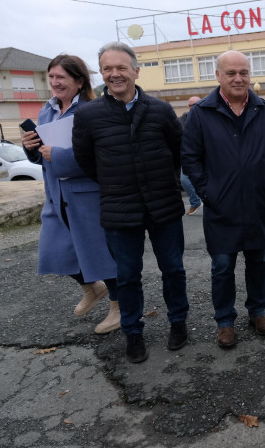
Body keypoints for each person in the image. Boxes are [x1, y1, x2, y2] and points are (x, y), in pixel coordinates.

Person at [72, 42, 189, 363]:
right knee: (126, 275)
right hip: (119, 208)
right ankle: (132, 332)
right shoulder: (88, 115)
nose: (114, 74)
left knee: (173, 269)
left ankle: (178, 322)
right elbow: (86, 160)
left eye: (121, 67)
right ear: (101, 73)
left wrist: (168, 183)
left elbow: (177, 152)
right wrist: (115, 183)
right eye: (107, 68)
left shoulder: (161, 110)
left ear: (136, 71)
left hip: (163, 205)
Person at [182, 51, 265, 349]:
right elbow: (190, 159)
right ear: (218, 76)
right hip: (221, 205)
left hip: (259, 203)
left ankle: (257, 312)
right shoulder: (202, 113)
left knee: (258, 261)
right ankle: (225, 321)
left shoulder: (262, 110)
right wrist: (209, 193)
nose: (238, 78)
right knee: (222, 265)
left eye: (243, 72)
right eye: (231, 73)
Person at [21, 54, 120, 335]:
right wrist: (31, 148)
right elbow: (43, 156)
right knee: (53, 251)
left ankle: (119, 307)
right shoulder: (46, 111)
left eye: (61, 77)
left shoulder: (93, 110)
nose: (54, 83)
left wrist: (59, 155)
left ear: (78, 82)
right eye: (51, 77)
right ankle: (92, 288)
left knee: (100, 253)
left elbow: (101, 156)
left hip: (87, 194)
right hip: (56, 195)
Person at [178, 96, 202, 216]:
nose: (194, 107)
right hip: (188, 155)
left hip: (207, 155)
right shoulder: (181, 120)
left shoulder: (209, 117)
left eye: (196, 104)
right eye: (192, 105)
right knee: (184, 180)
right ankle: (195, 201)